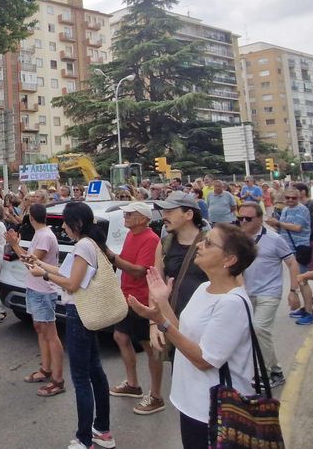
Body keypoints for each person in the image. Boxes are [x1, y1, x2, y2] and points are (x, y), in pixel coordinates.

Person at [126, 224, 258, 449]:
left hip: (215, 410)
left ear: (229, 259)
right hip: (191, 403)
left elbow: (203, 360)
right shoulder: (205, 287)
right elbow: (183, 334)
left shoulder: (232, 303)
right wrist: (163, 303)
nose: (199, 244)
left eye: (208, 243)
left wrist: (161, 322)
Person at [26, 202, 115, 449]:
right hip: (85, 314)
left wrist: (42, 275)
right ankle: (103, 431)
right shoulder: (89, 244)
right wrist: (41, 265)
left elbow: (72, 283)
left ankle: (85, 438)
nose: (62, 226)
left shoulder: (84, 246)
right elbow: (65, 272)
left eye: (65, 221)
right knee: (95, 371)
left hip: (79, 314)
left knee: (81, 377)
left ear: (77, 223)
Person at [103, 201, 166, 413]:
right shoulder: (131, 235)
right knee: (120, 337)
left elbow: (139, 271)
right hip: (127, 296)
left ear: (143, 218)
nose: (126, 217)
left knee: (150, 347)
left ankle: (156, 396)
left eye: (130, 214)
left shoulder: (151, 239)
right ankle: (133, 384)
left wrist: (113, 257)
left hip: (143, 300)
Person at [236, 202, 301, 388]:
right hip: (246, 293)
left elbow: (292, 263)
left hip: (269, 293)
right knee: (254, 333)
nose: (243, 222)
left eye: (248, 218)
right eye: (240, 218)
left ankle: (264, 373)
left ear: (260, 218)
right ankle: (275, 371)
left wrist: (293, 291)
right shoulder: (238, 240)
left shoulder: (274, 239)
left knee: (259, 329)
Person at [5, 202, 66, 397]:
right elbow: (30, 260)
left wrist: (14, 244)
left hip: (43, 291)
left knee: (50, 333)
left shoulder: (45, 236)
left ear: (31, 218)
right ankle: (46, 369)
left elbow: (31, 263)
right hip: (34, 288)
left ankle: (58, 379)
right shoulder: (40, 234)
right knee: (40, 329)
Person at [153, 191, 209, 355]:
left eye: (170, 211)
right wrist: (153, 323)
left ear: (189, 214)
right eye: (164, 212)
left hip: (207, 322)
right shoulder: (164, 244)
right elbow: (156, 285)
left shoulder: (211, 242)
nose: (164, 216)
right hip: (174, 321)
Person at [267, 188, 313, 325]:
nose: (290, 200)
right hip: (289, 249)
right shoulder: (286, 210)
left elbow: (297, 227)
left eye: (293, 198)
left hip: (300, 248)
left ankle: (310, 312)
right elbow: (283, 228)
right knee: (297, 279)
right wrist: (275, 225)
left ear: (299, 198)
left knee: (302, 280)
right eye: (287, 198)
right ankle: (305, 308)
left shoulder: (302, 210)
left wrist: (278, 223)